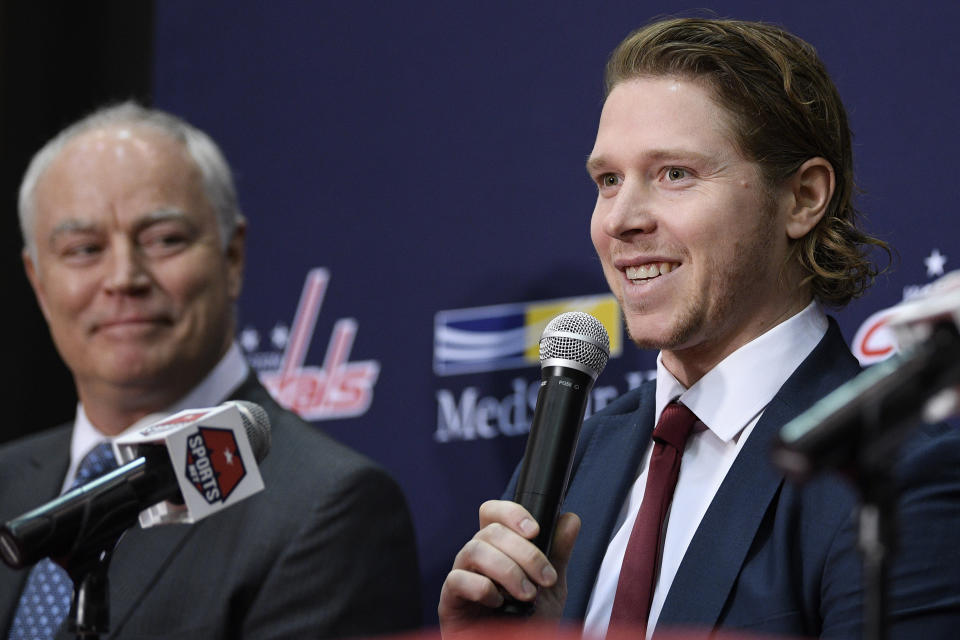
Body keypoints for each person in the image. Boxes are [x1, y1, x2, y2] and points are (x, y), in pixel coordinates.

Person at [439, 17, 960, 639]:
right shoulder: (575, 458)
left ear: (802, 197)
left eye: (674, 174)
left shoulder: (896, 475)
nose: (622, 220)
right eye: (608, 181)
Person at [0, 102, 422, 639]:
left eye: (164, 240)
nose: (124, 277)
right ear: (38, 281)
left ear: (232, 257)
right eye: (84, 250)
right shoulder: (7, 483)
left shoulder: (325, 506)